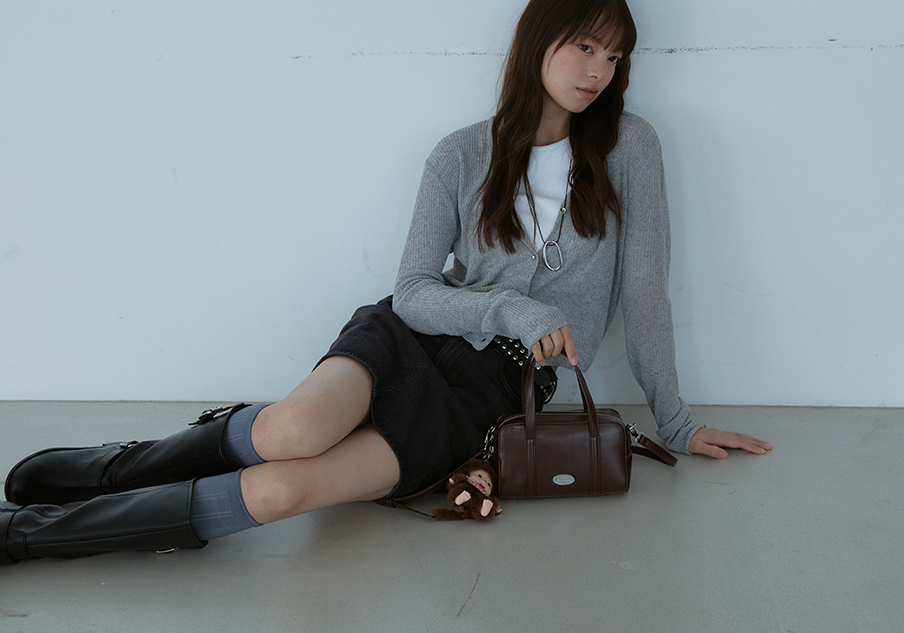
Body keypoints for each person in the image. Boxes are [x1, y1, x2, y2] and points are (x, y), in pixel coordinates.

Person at [0, 0, 771, 565]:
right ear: (538, 41)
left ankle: (27, 537)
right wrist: (512, 304)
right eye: (585, 46)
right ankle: (116, 467)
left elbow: (645, 290)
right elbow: (412, 292)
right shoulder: (459, 155)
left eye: (615, 56)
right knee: (290, 433)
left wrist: (676, 423)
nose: (600, 71)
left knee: (280, 493)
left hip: (489, 395)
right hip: (408, 338)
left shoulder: (629, 146)